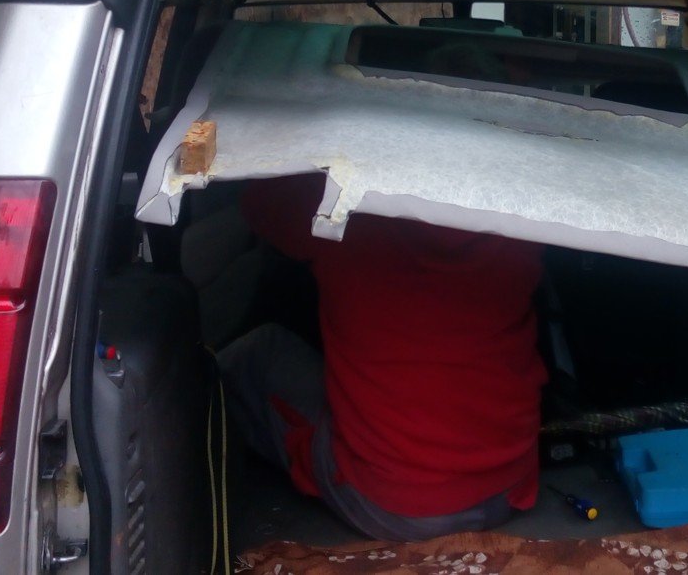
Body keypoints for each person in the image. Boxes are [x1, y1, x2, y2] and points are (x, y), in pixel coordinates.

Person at [217, 174, 547, 540]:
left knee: (259, 352)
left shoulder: (337, 202)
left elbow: (255, 199)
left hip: (397, 505)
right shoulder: (520, 204)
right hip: (508, 487)